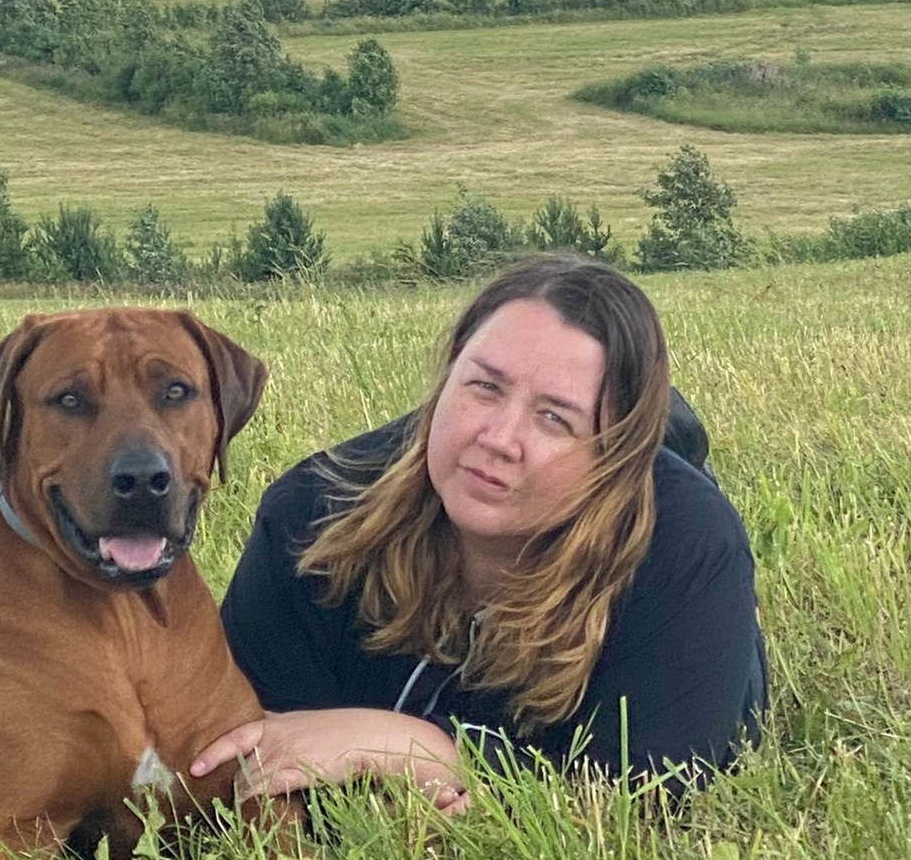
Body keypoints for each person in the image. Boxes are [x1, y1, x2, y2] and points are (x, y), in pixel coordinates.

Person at [191, 254, 765, 810]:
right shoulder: (311, 513)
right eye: (485, 387)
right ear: (445, 378)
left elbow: (650, 783)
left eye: (554, 417)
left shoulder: (688, 546)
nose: (498, 439)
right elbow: (256, 737)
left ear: (614, 454)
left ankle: (670, 431)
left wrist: (423, 748)